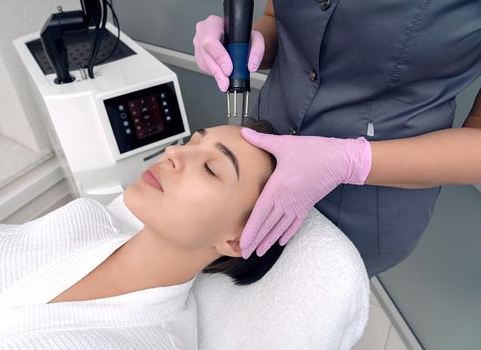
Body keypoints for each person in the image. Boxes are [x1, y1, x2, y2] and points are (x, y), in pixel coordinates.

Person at [193, 0, 481, 277]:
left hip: (365, 203)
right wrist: (245, 46)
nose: (171, 155)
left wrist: (349, 161)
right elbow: (276, 17)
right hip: (264, 152)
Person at [0, 122, 284, 349]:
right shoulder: (82, 218)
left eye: (211, 168)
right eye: (190, 143)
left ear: (237, 240)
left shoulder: (154, 342)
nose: (174, 152)